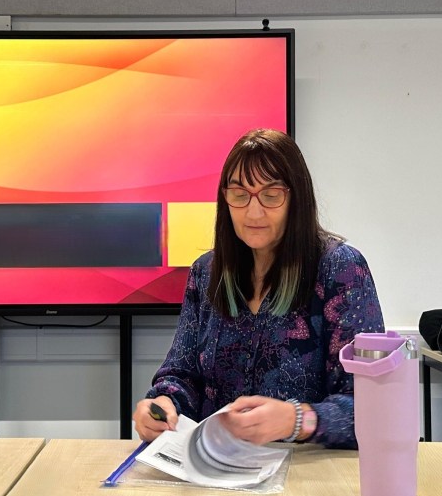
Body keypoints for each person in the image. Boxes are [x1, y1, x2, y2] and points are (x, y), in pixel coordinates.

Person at [132, 128, 384, 449]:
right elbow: (182, 376)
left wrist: (297, 420)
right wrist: (163, 404)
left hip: (308, 468)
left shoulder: (340, 268)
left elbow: (373, 407)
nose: (253, 212)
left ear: (297, 199)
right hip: (216, 462)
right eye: (239, 194)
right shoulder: (207, 272)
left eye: (271, 194)